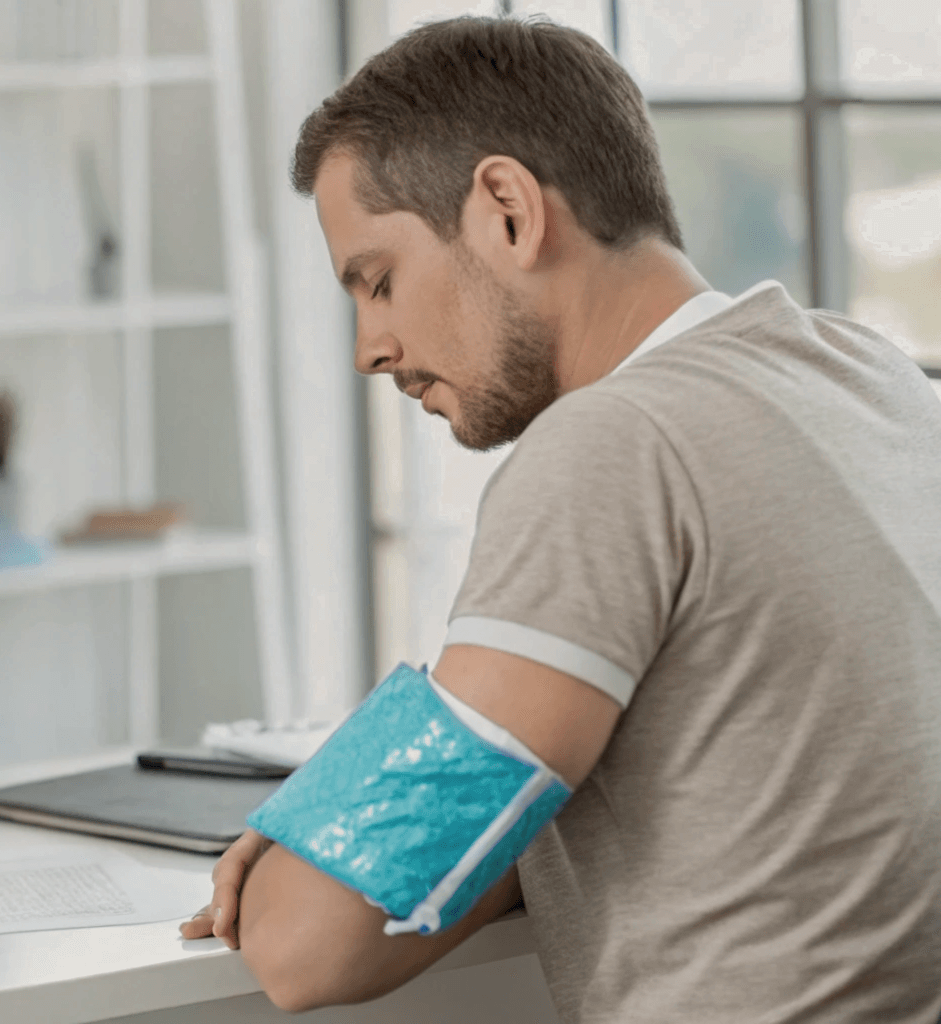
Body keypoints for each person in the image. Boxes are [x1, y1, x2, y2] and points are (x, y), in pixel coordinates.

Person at [182, 17, 941, 1022]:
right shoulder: (872, 374)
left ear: (505, 207)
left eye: (378, 280)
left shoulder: (611, 444)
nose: (369, 346)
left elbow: (303, 943)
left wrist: (323, 821)